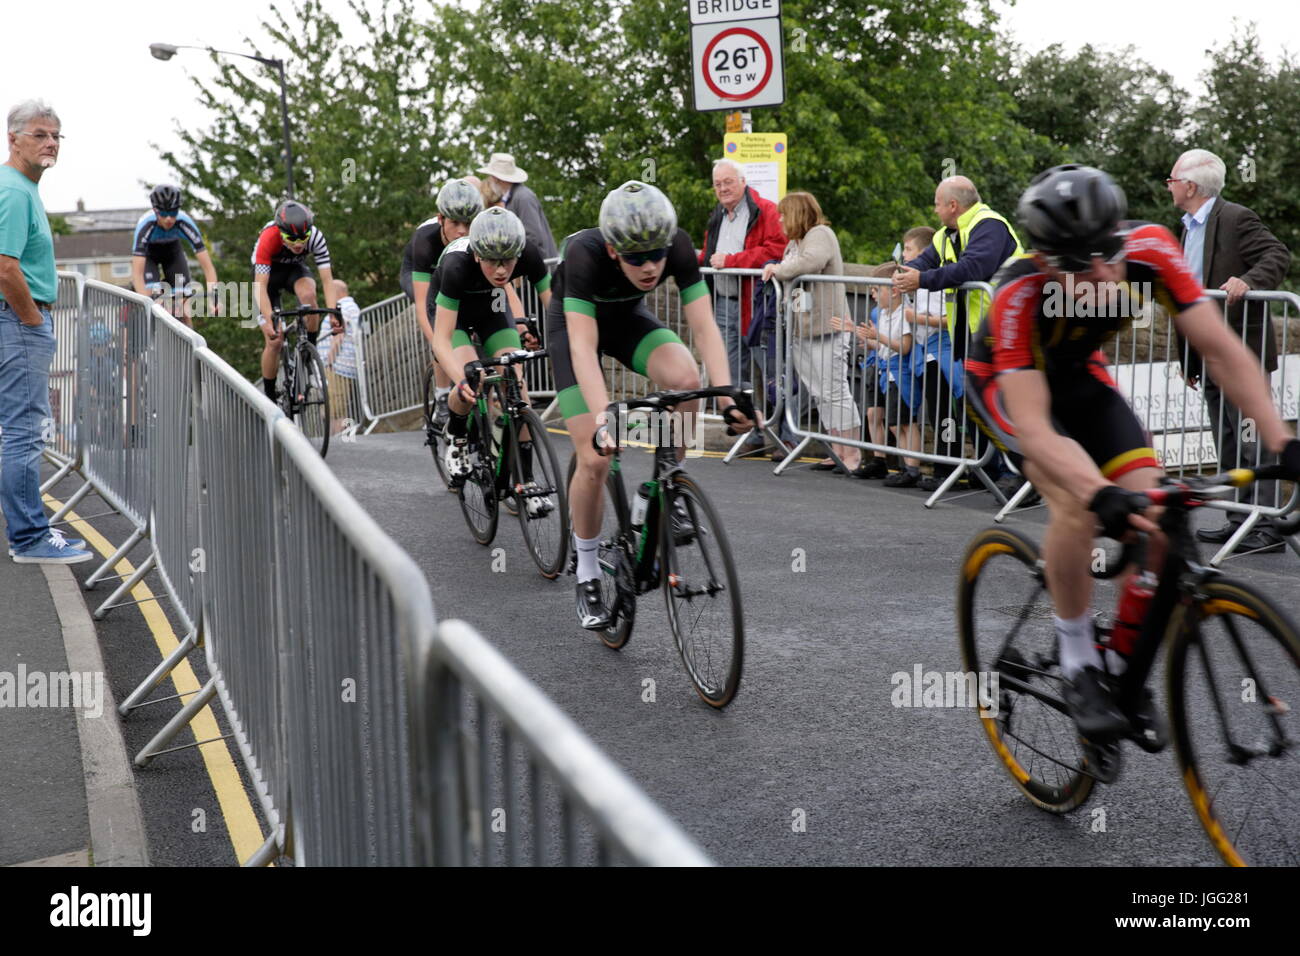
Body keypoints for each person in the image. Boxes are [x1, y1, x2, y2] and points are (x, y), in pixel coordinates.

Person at [965, 164, 1300, 744]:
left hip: (1083, 379)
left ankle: (1122, 664)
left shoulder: (1150, 250)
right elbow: (1040, 432)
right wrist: (1099, 494)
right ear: (1046, 261)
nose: (1101, 273)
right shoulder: (1018, 290)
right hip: (1008, 387)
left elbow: (1220, 349)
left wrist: (1282, 440)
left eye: (1107, 253)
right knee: (1075, 506)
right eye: (1079, 264)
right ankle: (1076, 662)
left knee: (1160, 521)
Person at [547, 181, 754, 628]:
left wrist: (727, 392)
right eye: (637, 258)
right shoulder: (584, 255)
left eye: (657, 255)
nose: (650, 266)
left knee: (685, 379)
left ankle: (661, 484)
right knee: (595, 458)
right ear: (612, 249)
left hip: (625, 320)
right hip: (574, 328)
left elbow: (704, 327)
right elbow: (583, 348)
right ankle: (585, 569)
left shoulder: (676, 244)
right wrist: (605, 416)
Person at [1167, 148, 1293, 553]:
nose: (1168, 185)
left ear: (1189, 185)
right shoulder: (1187, 226)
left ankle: (1267, 526)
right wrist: (1187, 356)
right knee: (1227, 439)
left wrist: (1247, 280)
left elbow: (1277, 254)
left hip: (1243, 350)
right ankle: (1238, 517)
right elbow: (1186, 294)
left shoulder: (1236, 217)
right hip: (1208, 352)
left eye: (1171, 179)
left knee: (1251, 436)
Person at [0, 99, 91, 564]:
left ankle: (30, 530)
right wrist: (33, 320)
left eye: (56, 135)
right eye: (39, 134)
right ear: (12, 138)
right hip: (17, 319)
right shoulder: (14, 191)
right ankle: (30, 538)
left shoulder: (20, 186)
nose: (50, 142)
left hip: (16, 319)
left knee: (16, 428)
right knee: (23, 430)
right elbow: (4, 266)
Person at [894, 176, 1023, 493]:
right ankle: (989, 470)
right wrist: (909, 275)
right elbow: (924, 263)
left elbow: (974, 268)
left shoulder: (988, 225)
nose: (935, 210)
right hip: (970, 335)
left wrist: (921, 279)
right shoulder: (944, 236)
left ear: (953, 205)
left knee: (1003, 405)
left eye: (938, 204)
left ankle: (1020, 474)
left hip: (1005, 330)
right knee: (977, 403)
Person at [432, 207, 551, 511]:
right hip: (453, 315)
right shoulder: (457, 265)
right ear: (477, 255)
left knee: (517, 385)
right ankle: (457, 436)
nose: (501, 271)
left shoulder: (529, 255)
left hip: (492, 309)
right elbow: (441, 340)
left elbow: (559, 311)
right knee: (474, 379)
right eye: (493, 262)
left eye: (508, 261)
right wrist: (460, 377)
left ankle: (526, 480)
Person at [760, 191, 863, 475]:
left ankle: (851, 453)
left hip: (826, 327)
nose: (779, 219)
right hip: (803, 329)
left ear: (796, 214)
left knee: (834, 390)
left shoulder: (820, 235)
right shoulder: (795, 243)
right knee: (819, 393)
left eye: (783, 214)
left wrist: (777, 269)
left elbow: (808, 264)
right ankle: (835, 448)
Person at [399, 179, 483, 428]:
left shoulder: (477, 237)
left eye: (467, 225)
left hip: (451, 272)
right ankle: (442, 397)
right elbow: (424, 308)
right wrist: (438, 343)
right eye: (454, 223)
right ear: (441, 220)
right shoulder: (425, 241)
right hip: (422, 272)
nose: (461, 231)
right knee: (439, 329)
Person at [700, 159, 787, 393]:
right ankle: (744, 423)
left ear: (743, 181)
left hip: (757, 304)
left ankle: (775, 426)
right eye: (717, 184)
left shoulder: (766, 210)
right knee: (730, 372)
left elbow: (777, 249)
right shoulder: (717, 215)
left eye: (728, 182)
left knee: (768, 369)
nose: (723, 188)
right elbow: (708, 255)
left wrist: (731, 261)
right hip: (723, 304)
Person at [252, 199, 338, 402]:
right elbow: (260, 288)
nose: (299, 244)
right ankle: (270, 395)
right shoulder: (269, 237)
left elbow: (327, 279)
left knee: (309, 298)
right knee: (274, 341)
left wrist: (334, 312)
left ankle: (309, 357)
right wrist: (268, 318)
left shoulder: (316, 236)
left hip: (294, 271)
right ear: (281, 232)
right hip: (267, 279)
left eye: (303, 238)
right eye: (291, 239)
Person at [130, 183, 218, 325]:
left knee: (182, 302)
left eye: (173, 213)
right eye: (164, 214)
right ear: (155, 210)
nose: (169, 219)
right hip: (149, 255)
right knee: (149, 298)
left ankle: (187, 338)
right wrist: (145, 302)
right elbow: (137, 274)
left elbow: (208, 267)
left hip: (172, 252)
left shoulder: (184, 222)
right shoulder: (146, 226)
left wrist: (214, 298)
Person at [477, 152, 558, 259]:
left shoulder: (523, 197)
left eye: (490, 176)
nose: (489, 180)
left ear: (496, 178)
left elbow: (532, 238)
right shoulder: (514, 197)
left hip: (540, 267)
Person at [318, 279, 362, 435]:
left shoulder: (342, 307)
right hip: (341, 365)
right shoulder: (351, 307)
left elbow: (338, 335)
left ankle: (340, 442)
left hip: (337, 366)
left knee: (335, 410)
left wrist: (329, 362)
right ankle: (339, 439)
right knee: (334, 407)